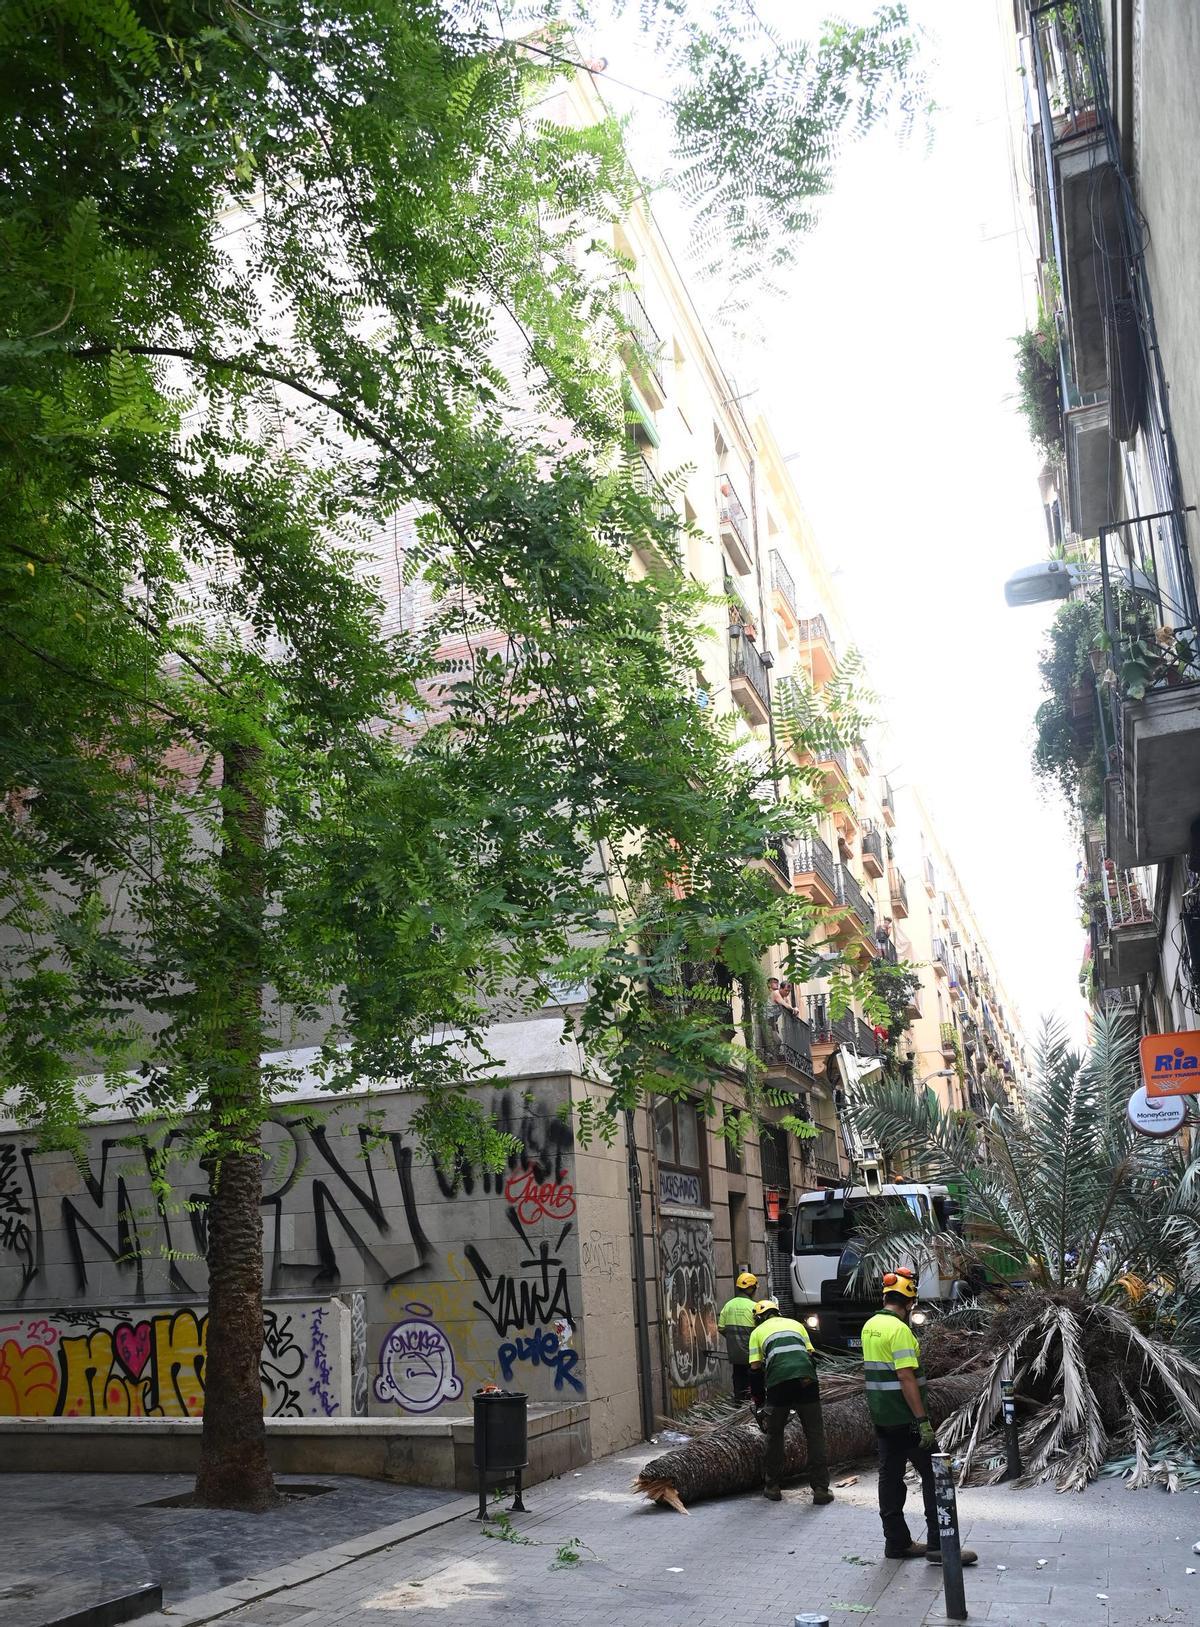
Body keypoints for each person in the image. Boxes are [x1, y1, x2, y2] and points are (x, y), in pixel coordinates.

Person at [861, 1269, 978, 1566]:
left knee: (890, 1479)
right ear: (910, 1301)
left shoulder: (870, 1325)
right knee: (936, 1476)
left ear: (886, 1297)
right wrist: (922, 1419)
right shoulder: (899, 1330)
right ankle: (941, 1546)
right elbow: (906, 1377)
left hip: (882, 1416)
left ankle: (896, 1542)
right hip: (906, 1417)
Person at [748, 1297, 832, 1505]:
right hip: (807, 1381)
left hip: (779, 1384)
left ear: (759, 1318)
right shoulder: (796, 1325)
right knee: (814, 1435)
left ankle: (773, 1486)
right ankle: (821, 1489)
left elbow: (755, 1371)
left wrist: (760, 1402)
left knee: (774, 1434)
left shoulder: (756, 1333)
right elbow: (810, 1356)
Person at [717, 1271, 759, 1400]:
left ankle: (738, 1405)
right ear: (751, 1288)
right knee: (755, 1381)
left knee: (738, 1380)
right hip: (752, 1355)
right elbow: (761, 1331)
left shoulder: (728, 1305)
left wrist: (733, 1339)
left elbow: (721, 1328)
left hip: (735, 1354)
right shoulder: (754, 1307)